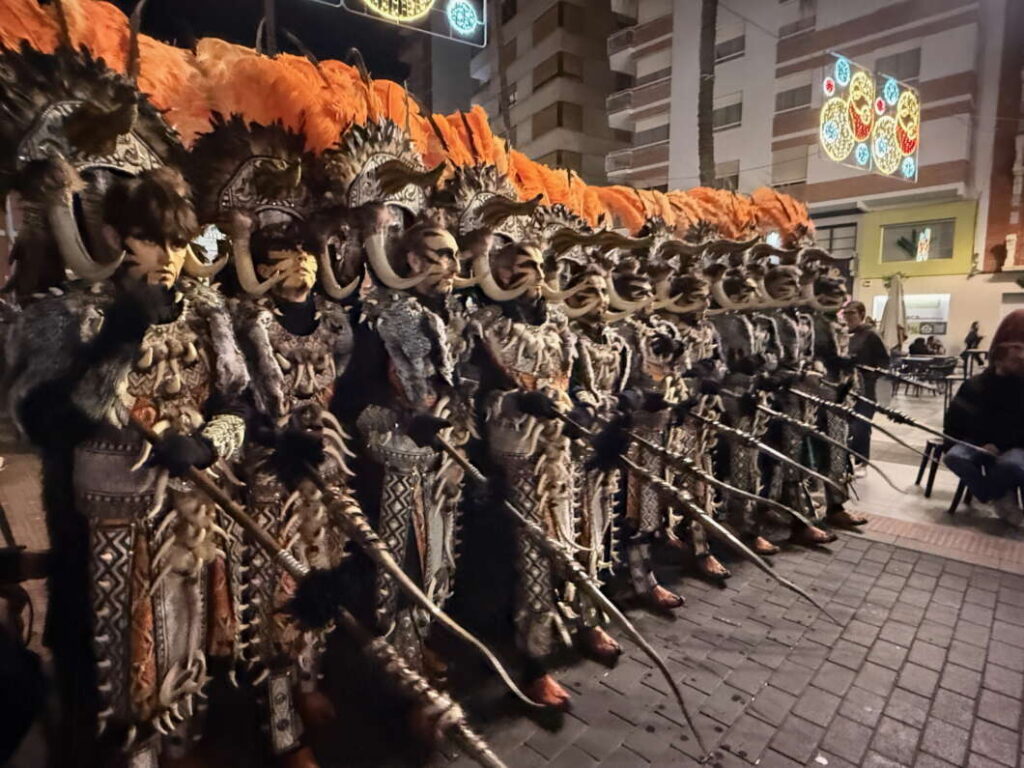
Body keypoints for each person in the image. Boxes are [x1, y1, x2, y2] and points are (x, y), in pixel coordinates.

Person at [944, 310, 1024, 525]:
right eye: (1016, 349)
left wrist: (1000, 444)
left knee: (1012, 465)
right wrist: (983, 443)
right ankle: (992, 494)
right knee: (955, 457)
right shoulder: (976, 384)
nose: (1021, 356)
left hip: (1014, 444)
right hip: (979, 441)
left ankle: (991, 492)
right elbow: (958, 419)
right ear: (1000, 355)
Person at [841, 300, 891, 464]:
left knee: (861, 425)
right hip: (845, 388)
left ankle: (862, 460)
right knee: (844, 426)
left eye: (852, 313)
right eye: (845, 313)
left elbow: (884, 361)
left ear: (861, 314)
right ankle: (844, 460)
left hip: (865, 388)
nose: (848, 317)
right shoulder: (842, 333)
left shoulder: (871, 334)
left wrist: (870, 375)